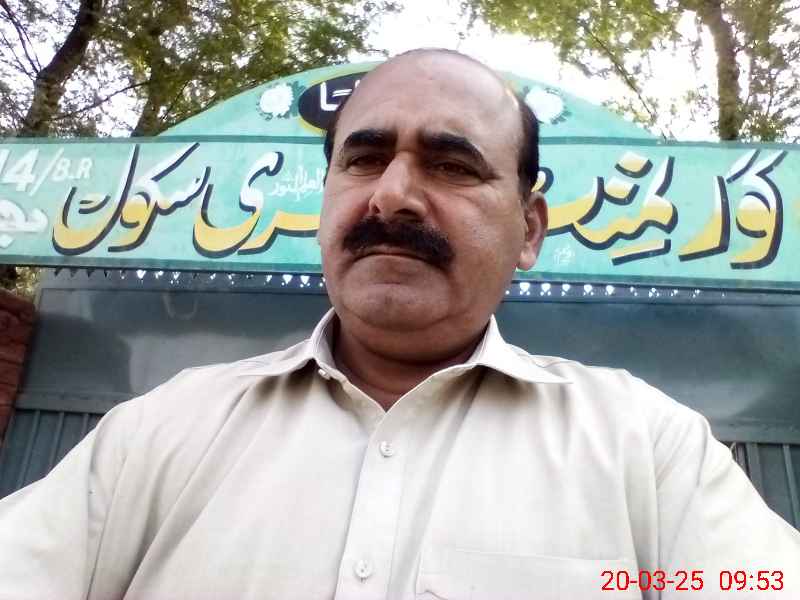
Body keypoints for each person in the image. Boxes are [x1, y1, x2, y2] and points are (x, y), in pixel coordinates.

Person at [0, 48, 798, 600]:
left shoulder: (647, 448)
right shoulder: (160, 433)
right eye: (363, 159)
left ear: (528, 231)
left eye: (451, 165)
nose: (392, 196)